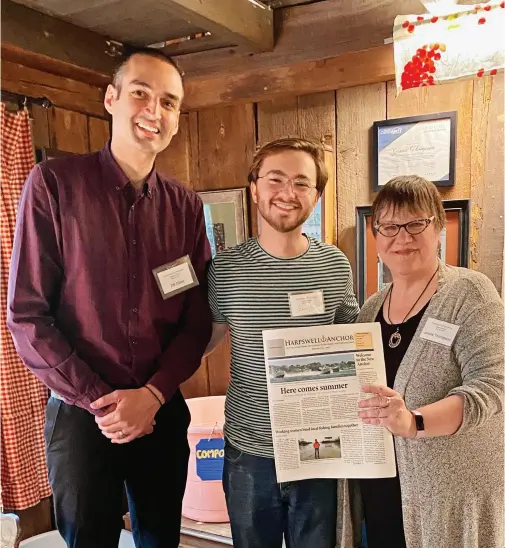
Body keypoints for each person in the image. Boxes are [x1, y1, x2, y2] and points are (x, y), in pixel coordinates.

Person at [7, 48, 213, 548]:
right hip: (81, 418)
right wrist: (104, 404)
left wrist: (153, 396)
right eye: (141, 93)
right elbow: (28, 315)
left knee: (161, 538)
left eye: (169, 102)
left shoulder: (185, 207)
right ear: (111, 98)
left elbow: (196, 318)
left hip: (161, 412)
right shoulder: (55, 185)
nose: (154, 111)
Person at [205, 137, 360, 548]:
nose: (287, 193)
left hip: (318, 445)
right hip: (249, 448)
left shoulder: (333, 265)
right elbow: (204, 341)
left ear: (316, 195)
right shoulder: (227, 267)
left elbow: (356, 345)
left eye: (301, 182)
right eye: (275, 179)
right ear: (254, 187)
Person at [340, 175, 503, 548]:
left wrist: (413, 422)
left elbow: (492, 388)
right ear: (376, 235)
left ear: (438, 227)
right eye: (390, 226)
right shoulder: (369, 310)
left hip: (448, 496)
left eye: (416, 223)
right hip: (383, 488)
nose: (403, 237)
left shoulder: (470, 293)